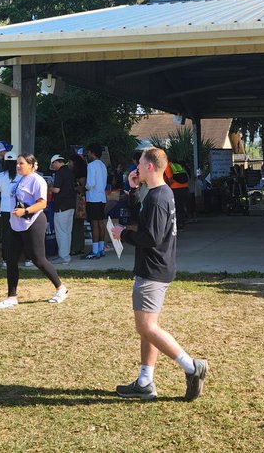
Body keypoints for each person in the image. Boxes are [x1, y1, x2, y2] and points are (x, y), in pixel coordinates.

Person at [111, 145, 208, 401]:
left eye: (140, 164)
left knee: (146, 327)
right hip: (156, 266)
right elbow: (144, 221)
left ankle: (191, 366)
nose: (137, 168)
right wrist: (133, 190)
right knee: (148, 328)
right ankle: (145, 381)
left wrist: (124, 234)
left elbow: (150, 237)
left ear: (150, 166)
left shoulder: (158, 197)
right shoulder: (157, 194)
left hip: (153, 268)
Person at [0, 153, 68, 309]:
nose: (18, 166)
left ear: (32, 165)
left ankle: (61, 289)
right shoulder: (20, 179)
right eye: (17, 163)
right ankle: (11, 297)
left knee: (38, 259)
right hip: (16, 223)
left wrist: (25, 211)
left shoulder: (37, 180)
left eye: (21, 163)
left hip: (33, 223)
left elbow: (42, 203)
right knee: (11, 259)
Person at [83, 144, 109, 259]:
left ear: (92, 153)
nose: (87, 154)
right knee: (100, 223)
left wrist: (84, 187)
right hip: (102, 197)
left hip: (93, 198)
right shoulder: (103, 165)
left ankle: (94, 250)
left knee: (94, 224)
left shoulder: (91, 165)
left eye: (88, 152)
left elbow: (90, 184)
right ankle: (101, 248)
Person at [49, 154, 75, 264]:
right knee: (67, 232)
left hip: (61, 206)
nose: (53, 167)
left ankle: (63, 256)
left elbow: (57, 190)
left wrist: (49, 187)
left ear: (56, 162)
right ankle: (65, 255)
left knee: (61, 232)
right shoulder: (69, 171)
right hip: (70, 205)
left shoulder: (59, 172)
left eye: (53, 164)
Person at [0, 152, 18, 238]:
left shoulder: (1, 176)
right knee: (17, 236)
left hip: (5, 209)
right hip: (18, 209)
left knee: (6, 236)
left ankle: (6, 251)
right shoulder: (21, 176)